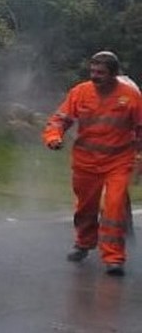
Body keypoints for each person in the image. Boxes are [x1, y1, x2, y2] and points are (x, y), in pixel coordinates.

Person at [43, 51, 142, 276]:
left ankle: (114, 258)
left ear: (114, 74)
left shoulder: (131, 96)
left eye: (101, 72)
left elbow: (140, 129)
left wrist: (139, 158)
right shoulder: (80, 92)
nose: (95, 76)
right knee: (86, 208)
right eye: (93, 71)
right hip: (86, 162)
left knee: (114, 207)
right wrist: (53, 137)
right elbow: (60, 119)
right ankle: (84, 243)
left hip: (118, 161)